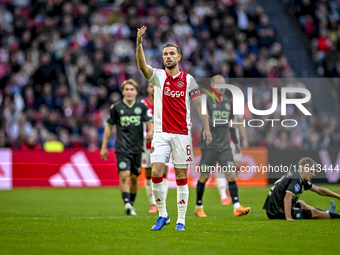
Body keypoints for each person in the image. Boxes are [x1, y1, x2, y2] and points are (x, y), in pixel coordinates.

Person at [136, 25, 212, 231]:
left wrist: (206, 127)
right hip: (160, 133)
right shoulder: (158, 76)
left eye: (171, 54)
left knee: (180, 176)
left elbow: (199, 105)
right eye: (165, 54)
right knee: (156, 172)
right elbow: (143, 67)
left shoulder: (189, 80)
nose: (168, 57)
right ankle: (163, 215)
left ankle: (181, 220)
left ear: (179, 57)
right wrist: (139, 43)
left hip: (181, 134)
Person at [194, 75, 251, 218]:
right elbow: (208, 122)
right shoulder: (206, 101)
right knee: (204, 177)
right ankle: (198, 206)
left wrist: (236, 142)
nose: (221, 87)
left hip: (225, 145)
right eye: (218, 84)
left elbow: (232, 125)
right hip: (209, 145)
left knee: (231, 174)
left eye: (223, 84)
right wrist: (226, 123)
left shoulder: (228, 103)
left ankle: (237, 207)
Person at [100, 79, 153, 216]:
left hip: (137, 148)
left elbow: (150, 122)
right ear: (123, 92)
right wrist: (104, 146)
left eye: (132, 89)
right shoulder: (116, 108)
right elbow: (109, 127)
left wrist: (150, 132)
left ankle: (131, 204)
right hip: (122, 148)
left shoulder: (142, 107)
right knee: (125, 175)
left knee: (134, 178)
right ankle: (127, 204)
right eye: (126, 89)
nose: (129, 92)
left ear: (136, 92)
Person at [263, 157, 340, 220]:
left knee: (302, 203)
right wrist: (289, 218)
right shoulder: (296, 180)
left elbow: (319, 190)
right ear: (303, 169)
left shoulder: (298, 176)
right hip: (278, 212)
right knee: (314, 213)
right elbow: (287, 198)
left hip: (274, 209)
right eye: (312, 171)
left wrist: (338, 196)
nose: (313, 174)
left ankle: (328, 213)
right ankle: (337, 216)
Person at [216, 89, 249, 205]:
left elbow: (241, 122)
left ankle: (227, 186)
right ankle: (223, 195)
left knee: (237, 165)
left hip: (234, 139)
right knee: (221, 166)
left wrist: (244, 138)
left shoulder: (236, 106)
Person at [141, 82, 169, 213]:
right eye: (151, 86)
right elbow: (139, 123)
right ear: (147, 89)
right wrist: (145, 135)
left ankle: (161, 201)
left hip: (164, 142)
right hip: (147, 144)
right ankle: (153, 203)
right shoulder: (142, 104)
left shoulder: (166, 102)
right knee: (149, 173)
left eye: (155, 86)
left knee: (164, 172)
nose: (153, 88)